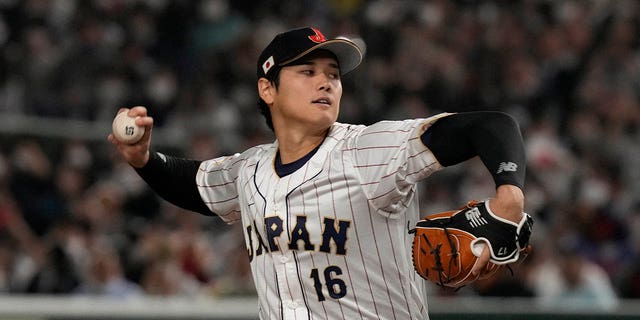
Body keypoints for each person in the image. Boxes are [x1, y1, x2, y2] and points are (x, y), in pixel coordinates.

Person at [108, 26, 527, 319]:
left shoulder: (366, 149)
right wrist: (144, 159)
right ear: (267, 89)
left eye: (332, 75)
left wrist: (509, 194)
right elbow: (194, 185)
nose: (325, 82)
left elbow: (490, 126)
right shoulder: (249, 170)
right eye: (307, 72)